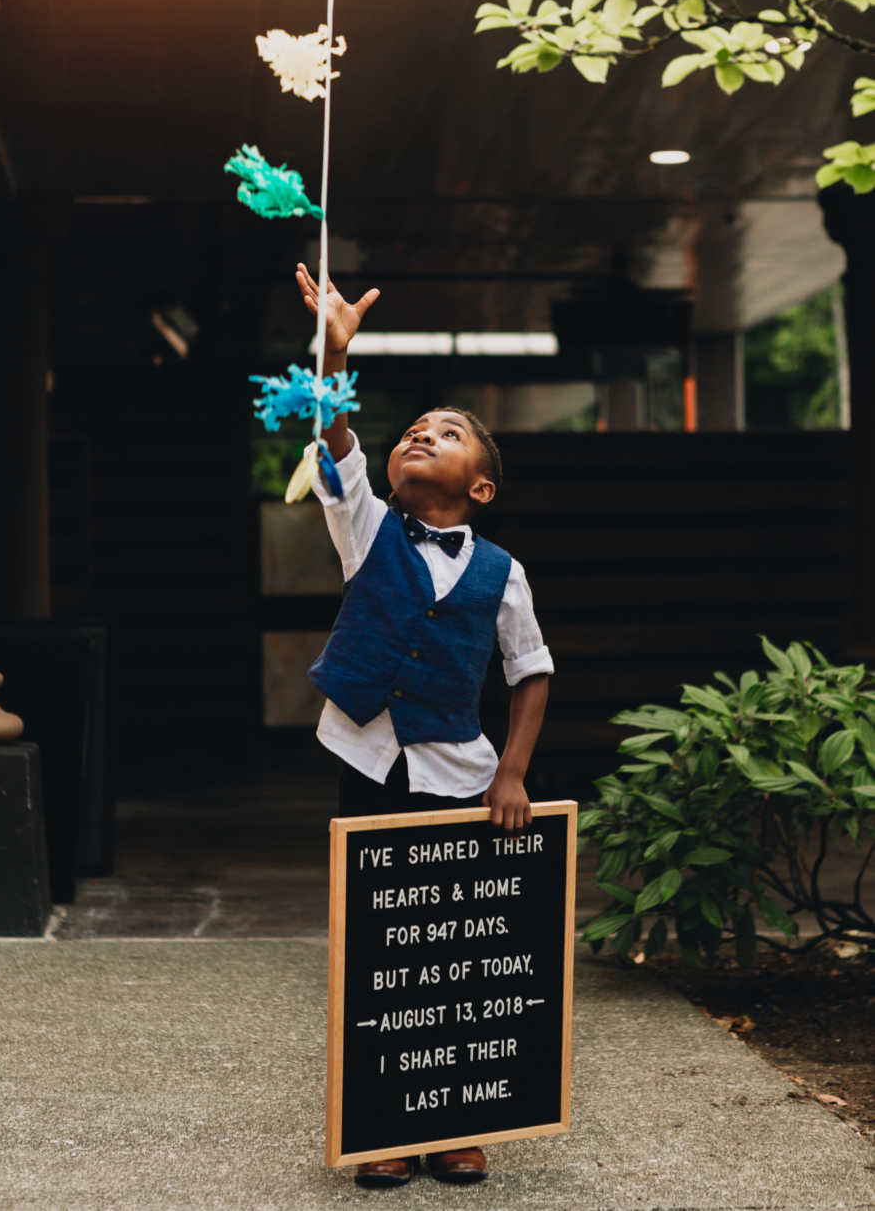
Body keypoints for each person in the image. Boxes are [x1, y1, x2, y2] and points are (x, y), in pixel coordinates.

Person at [295, 263, 553, 1189]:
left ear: (479, 487)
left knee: (459, 952)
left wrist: (513, 773)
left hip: (460, 771)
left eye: (443, 436)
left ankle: (459, 1121)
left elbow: (530, 674)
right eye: (412, 431)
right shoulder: (365, 528)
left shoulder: (503, 572)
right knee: (377, 946)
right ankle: (381, 1126)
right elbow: (335, 434)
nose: (419, 437)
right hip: (365, 756)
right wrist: (334, 351)